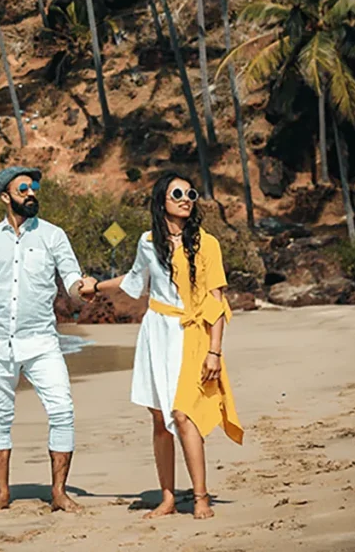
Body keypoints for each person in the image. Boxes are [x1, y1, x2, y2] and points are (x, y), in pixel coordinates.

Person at [83, 171, 243, 519]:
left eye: (191, 194)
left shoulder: (207, 243)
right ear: (161, 202)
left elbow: (216, 300)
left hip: (192, 335)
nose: (187, 200)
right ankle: (168, 498)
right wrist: (95, 288)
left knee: (184, 415)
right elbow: (134, 280)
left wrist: (215, 351)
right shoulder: (147, 242)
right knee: (159, 417)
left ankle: (200, 497)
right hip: (156, 332)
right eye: (178, 194)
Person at [0, 166, 95, 513]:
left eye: (33, 187)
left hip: (42, 342)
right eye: (23, 189)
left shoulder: (53, 235)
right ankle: (2, 494)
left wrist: (83, 289)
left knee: (62, 411)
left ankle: (59, 493)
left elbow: (71, 279)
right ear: (5, 197)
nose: (31, 193)